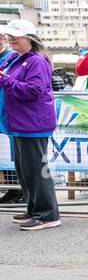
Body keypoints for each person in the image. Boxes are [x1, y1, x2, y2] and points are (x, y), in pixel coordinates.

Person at [0, 21, 60, 230]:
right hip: (19, 123)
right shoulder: (16, 58)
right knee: (25, 171)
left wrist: (5, 80)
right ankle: (34, 208)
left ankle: (47, 214)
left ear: (29, 38)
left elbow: (33, 90)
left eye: (15, 36)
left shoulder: (36, 61)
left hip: (32, 125)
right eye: (10, 36)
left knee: (36, 171)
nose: (11, 40)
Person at [0, 28, 25, 207]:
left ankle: (17, 189)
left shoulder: (11, 57)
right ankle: (12, 188)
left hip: (8, 110)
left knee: (12, 151)